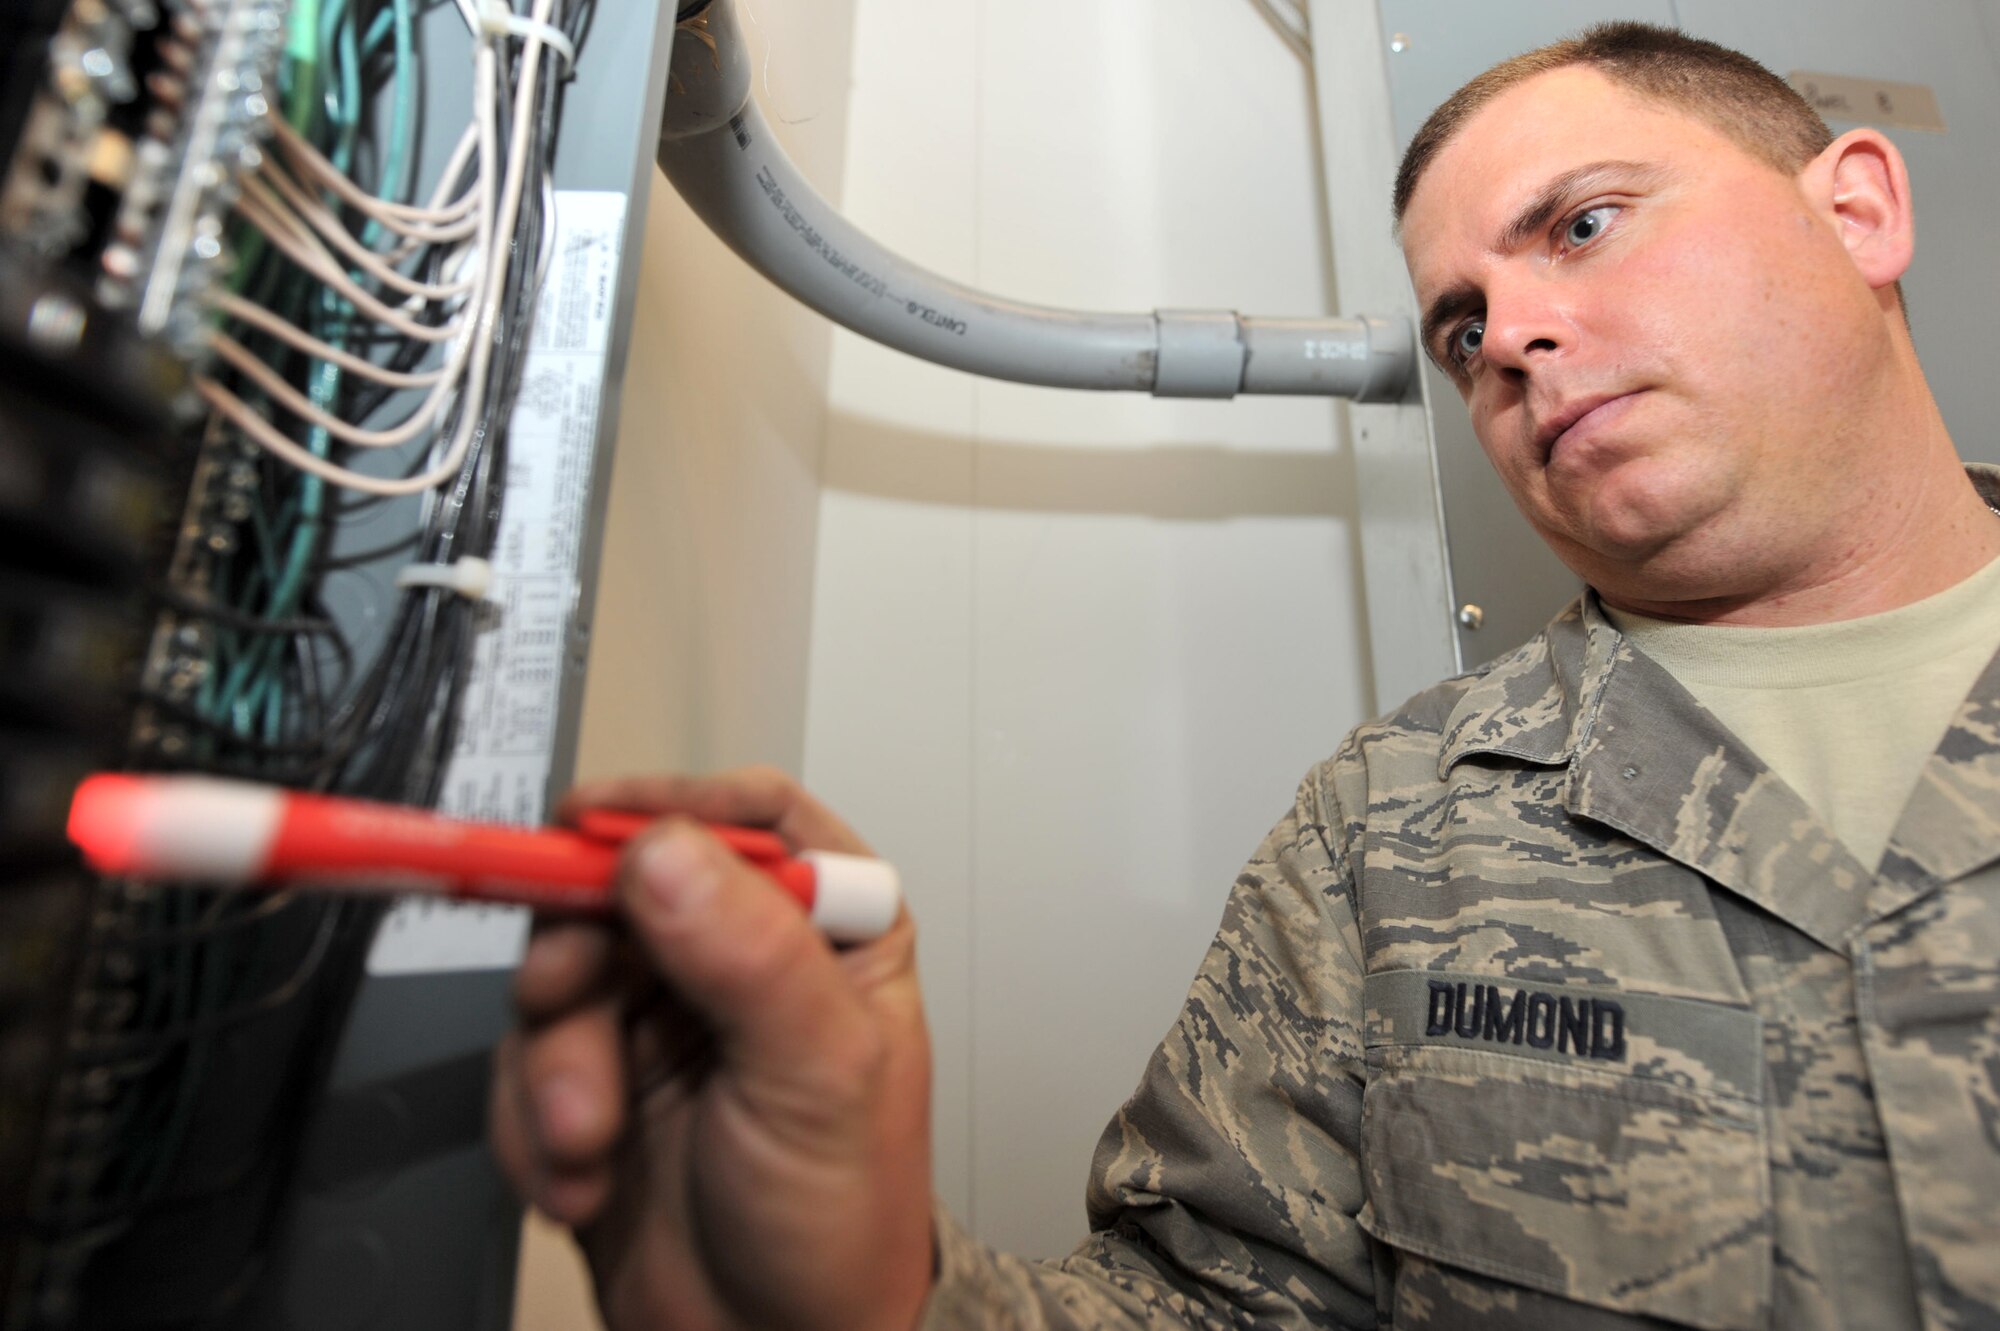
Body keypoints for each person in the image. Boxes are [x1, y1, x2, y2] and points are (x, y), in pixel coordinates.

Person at [489, 23, 2000, 1330]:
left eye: (1586, 226)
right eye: (1461, 330)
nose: (1518, 339)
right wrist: (873, 1304)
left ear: (1858, 210)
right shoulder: (1395, 834)